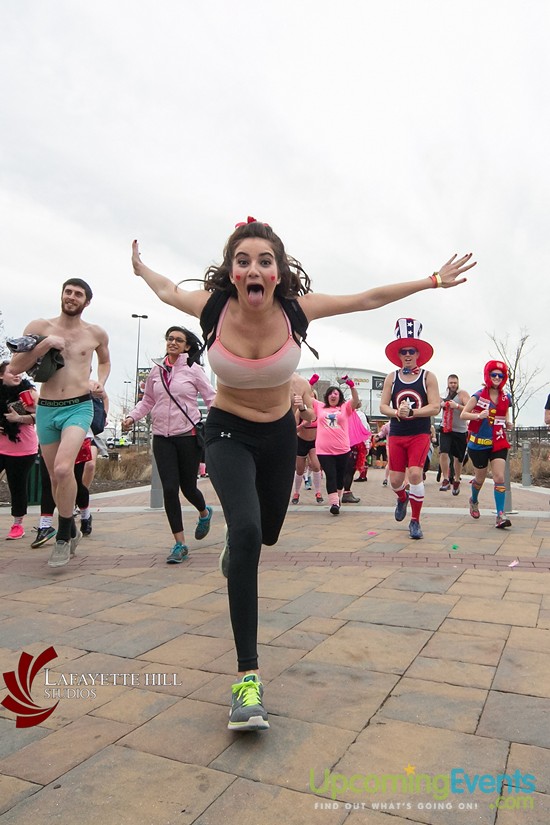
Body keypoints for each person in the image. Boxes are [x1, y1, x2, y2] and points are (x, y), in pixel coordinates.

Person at [132, 217, 474, 731]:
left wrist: (430, 280)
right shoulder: (211, 307)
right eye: (242, 260)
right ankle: (247, 679)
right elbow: (164, 290)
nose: (253, 269)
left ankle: (240, 545)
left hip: (277, 438)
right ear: (231, 271)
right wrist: (140, 269)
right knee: (247, 532)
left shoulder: (296, 311)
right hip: (225, 432)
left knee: (266, 533)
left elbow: (368, 298)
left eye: (264, 261)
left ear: (277, 272)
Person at [7, 279, 110, 567]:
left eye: (78, 294)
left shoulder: (96, 333)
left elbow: (105, 362)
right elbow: (15, 367)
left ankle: (63, 535)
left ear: (87, 302)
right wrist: (46, 346)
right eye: (68, 292)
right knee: (55, 477)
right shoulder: (39, 328)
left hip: (78, 407)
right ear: (62, 295)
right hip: (47, 409)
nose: (72, 297)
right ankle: (71, 524)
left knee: (65, 468)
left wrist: (99, 382)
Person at [122, 326, 216, 563]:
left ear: (186, 346)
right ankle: (180, 544)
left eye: (179, 340)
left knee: (188, 488)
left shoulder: (193, 370)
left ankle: (204, 513)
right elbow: (148, 401)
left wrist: (218, 422)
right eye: (170, 339)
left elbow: (211, 398)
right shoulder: (156, 370)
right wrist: (132, 417)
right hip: (162, 438)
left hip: (187, 436)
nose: (173, 342)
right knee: (170, 489)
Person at [379, 318, 441, 540]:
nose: (407, 354)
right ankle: (402, 497)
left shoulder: (428, 377)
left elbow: (435, 406)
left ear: (418, 353)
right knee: (395, 481)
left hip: (419, 433)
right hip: (397, 433)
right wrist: (396, 412)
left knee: (415, 473)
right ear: (398, 354)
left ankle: (415, 521)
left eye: (411, 351)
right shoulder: (391, 377)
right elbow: (383, 406)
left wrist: (413, 412)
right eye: (403, 351)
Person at [460, 360, 513, 529]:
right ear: (488, 376)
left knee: (499, 477)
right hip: (478, 444)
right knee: (480, 479)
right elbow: (463, 414)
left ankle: (500, 515)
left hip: (498, 442)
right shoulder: (478, 396)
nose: (497, 377)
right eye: (494, 374)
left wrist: (508, 423)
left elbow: (505, 415)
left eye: (500, 375)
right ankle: (474, 500)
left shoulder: (506, 398)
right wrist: (478, 416)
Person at [0, 363, 39, 540]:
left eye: (19, 372)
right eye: (12, 372)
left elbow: (44, 415)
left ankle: (17, 525)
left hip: (22, 448)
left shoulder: (29, 392)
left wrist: (20, 418)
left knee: (17, 486)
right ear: (1, 376)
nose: (17, 375)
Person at [313, 380, 361, 513]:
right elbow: (307, 398)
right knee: (331, 475)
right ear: (327, 396)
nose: (333, 396)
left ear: (339, 397)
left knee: (340, 477)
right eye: (331, 394)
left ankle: (337, 499)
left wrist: (351, 385)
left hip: (342, 449)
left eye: (336, 394)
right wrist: (310, 384)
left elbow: (355, 400)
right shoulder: (320, 407)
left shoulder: (345, 408)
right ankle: (334, 504)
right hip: (324, 450)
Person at [291, 373, 323, 504]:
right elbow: (293, 428)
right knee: (299, 469)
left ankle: (318, 492)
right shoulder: (300, 411)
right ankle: (296, 493)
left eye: (314, 398)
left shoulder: (320, 409)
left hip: (314, 442)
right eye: (310, 398)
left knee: (316, 465)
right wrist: (303, 424)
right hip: (301, 441)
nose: (312, 400)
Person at [438, 374, 470, 495]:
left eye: (455, 383)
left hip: (460, 430)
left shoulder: (463, 394)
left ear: (458, 383)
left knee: (458, 458)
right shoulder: (443, 394)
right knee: (443, 452)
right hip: (445, 428)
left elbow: (469, 409)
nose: (453, 385)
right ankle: (445, 479)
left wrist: (456, 405)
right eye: (451, 383)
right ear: (447, 383)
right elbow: (435, 407)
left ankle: (456, 479)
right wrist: (440, 405)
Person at [341, 400, 371, 503]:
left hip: (341, 444)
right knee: (350, 470)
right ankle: (346, 493)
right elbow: (365, 430)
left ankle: (340, 493)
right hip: (354, 446)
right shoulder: (359, 415)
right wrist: (366, 446)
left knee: (343, 470)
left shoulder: (341, 412)